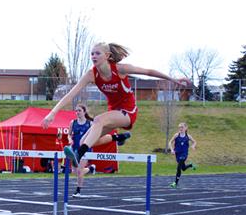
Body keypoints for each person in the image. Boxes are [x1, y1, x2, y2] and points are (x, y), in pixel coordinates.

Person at [42, 42, 190, 170]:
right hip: (113, 112)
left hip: (128, 111)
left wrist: (173, 79)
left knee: (98, 121)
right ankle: (117, 138)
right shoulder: (91, 74)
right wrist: (52, 113)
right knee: (83, 140)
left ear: (107, 55)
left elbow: (148, 72)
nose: (93, 56)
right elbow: (71, 94)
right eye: (92, 53)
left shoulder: (120, 69)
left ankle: (78, 154)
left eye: (97, 53)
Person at [68, 103, 130, 197]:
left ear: (84, 112)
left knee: (80, 170)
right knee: (75, 171)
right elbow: (69, 134)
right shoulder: (73, 123)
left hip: (86, 148)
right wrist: (70, 139)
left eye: (79, 110)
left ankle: (78, 191)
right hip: (75, 148)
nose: (77, 112)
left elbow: (99, 134)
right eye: (76, 110)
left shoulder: (90, 123)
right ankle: (90, 169)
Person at [169, 122, 197, 188]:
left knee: (179, 168)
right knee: (183, 168)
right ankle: (191, 165)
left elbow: (195, 142)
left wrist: (193, 146)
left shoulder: (188, 136)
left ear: (185, 128)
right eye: (179, 127)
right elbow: (170, 142)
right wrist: (172, 150)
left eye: (182, 127)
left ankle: (175, 183)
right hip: (177, 154)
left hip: (184, 154)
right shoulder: (176, 135)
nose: (180, 128)